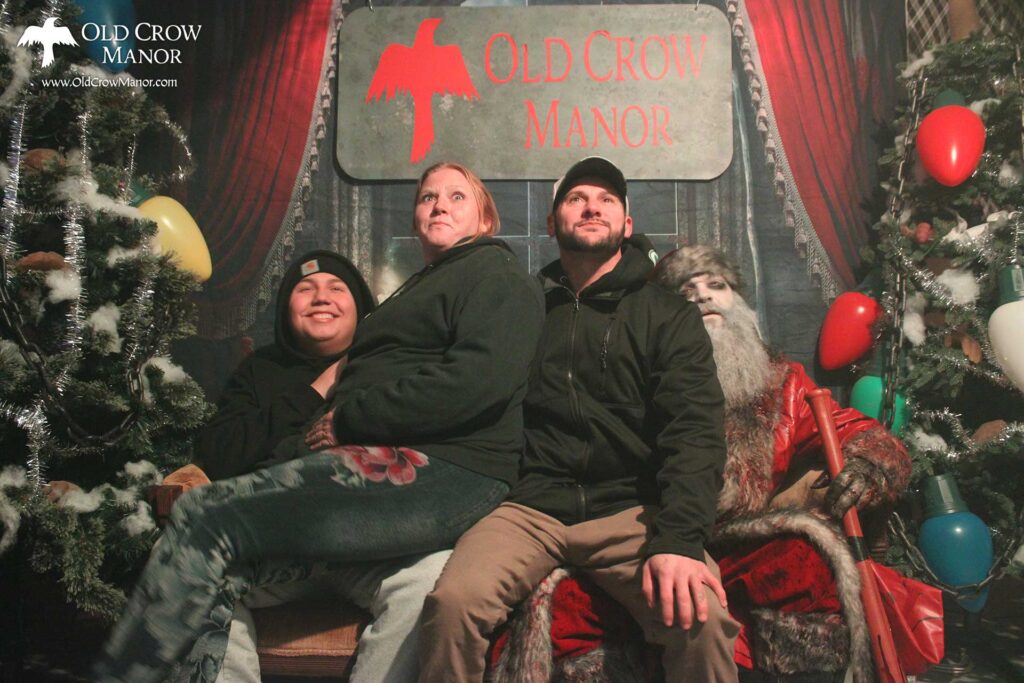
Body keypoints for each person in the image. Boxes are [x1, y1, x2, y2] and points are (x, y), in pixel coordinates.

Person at [93, 161, 545, 683]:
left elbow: (477, 382)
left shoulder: (494, 273)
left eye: (457, 196)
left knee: (203, 515)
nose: (440, 204)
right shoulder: (420, 290)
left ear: (486, 220)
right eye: (428, 197)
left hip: (447, 468)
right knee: (209, 558)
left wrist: (349, 418)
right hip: (381, 481)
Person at [419, 157, 741, 683]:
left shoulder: (667, 314)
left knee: (700, 618)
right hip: (529, 507)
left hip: (629, 509)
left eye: (606, 200)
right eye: (576, 199)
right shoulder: (520, 304)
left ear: (627, 225)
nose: (592, 207)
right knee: (452, 604)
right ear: (552, 223)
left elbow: (695, 431)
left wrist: (681, 541)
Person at [176, 250, 451, 683]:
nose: (321, 297)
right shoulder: (260, 371)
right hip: (278, 545)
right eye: (305, 289)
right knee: (193, 570)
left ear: (361, 309)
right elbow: (222, 454)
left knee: (431, 579)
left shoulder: (395, 368)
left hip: (374, 545)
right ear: (286, 310)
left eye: (336, 288)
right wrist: (319, 387)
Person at [651, 245, 912, 681]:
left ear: (740, 302)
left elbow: (855, 430)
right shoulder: (644, 377)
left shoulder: (781, 382)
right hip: (663, 534)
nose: (703, 296)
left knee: (802, 561)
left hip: (742, 536)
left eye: (717, 284)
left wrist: (870, 465)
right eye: (686, 291)